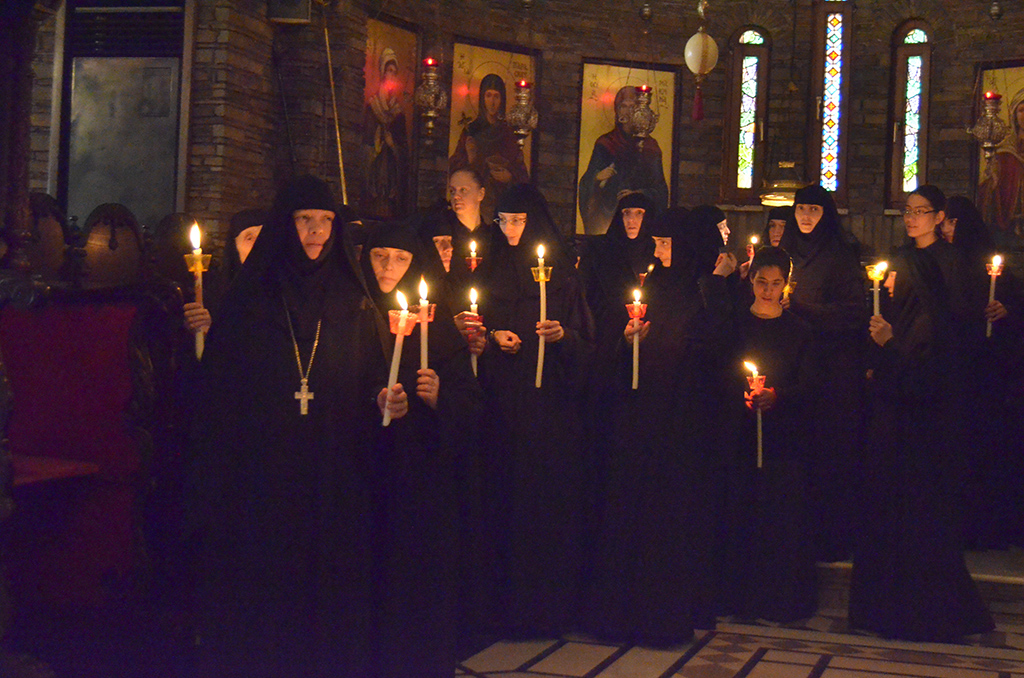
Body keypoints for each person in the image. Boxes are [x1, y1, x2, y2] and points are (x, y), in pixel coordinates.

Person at [186, 175, 408, 677]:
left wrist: (383, 396)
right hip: (265, 471)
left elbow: (374, 372)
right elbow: (220, 388)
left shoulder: (353, 299)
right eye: (305, 219)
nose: (316, 232)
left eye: (326, 221)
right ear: (285, 225)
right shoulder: (248, 300)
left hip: (334, 469)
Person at [850, 185, 994, 642]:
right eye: (907, 211)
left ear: (939, 216)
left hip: (928, 403)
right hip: (894, 392)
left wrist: (893, 345)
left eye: (921, 211)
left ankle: (929, 611)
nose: (911, 218)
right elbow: (888, 313)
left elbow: (943, 335)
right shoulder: (902, 259)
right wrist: (880, 354)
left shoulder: (950, 264)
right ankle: (883, 607)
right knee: (886, 500)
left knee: (922, 506)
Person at [587, 207, 734, 644]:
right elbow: (621, 345)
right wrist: (627, 340)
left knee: (670, 518)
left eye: (666, 243)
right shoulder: (652, 285)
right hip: (639, 416)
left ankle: (664, 614)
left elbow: (718, 352)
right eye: (657, 243)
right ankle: (619, 613)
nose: (658, 251)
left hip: (681, 421)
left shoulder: (703, 290)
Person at [360, 219, 482, 678]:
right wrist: (374, 399)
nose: (388, 267)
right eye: (379, 256)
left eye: (400, 259)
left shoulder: (439, 331)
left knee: (414, 581)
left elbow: (471, 404)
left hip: (419, 480)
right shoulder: (350, 315)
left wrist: (438, 398)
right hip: (362, 475)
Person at [475, 183, 594, 636]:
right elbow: (472, 321)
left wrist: (562, 337)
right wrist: (492, 337)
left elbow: (586, 342)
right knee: (499, 500)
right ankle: (496, 608)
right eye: (503, 221)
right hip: (500, 406)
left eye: (518, 222)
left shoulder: (561, 276)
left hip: (548, 411)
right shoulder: (488, 267)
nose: (510, 230)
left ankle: (544, 608)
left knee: (541, 506)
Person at [720, 246, 818, 623]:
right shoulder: (734, 326)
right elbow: (720, 373)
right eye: (762, 281)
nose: (768, 290)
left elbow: (810, 385)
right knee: (740, 513)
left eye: (776, 283)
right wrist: (742, 396)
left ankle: (777, 599)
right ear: (751, 280)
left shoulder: (800, 331)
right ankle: (737, 598)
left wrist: (777, 397)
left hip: (783, 440)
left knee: (778, 518)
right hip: (739, 435)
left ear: (786, 285)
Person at [778, 184, 867, 562]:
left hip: (833, 369)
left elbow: (853, 313)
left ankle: (831, 538)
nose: (805, 216)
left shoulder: (839, 256)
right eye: (801, 208)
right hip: (793, 364)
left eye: (813, 210)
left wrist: (801, 307)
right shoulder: (786, 252)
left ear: (825, 214)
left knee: (831, 453)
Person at [943, 195, 1024, 548]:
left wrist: (1006, 311)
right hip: (953, 370)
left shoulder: (992, 268)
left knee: (987, 449)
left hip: (987, 375)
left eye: (950, 222)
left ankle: (989, 528)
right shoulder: (941, 262)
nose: (945, 229)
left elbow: (1015, 307)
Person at [578, 85, 669, 235]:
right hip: (607, 216)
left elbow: (660, 190)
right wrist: (597, 177)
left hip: (640, 223)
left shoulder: (650, 148)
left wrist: (638, 194)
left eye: (632, 107)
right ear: (617, 110)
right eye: (623, 106)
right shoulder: (605, 143)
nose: (627, 111)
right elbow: (585, 185)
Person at [449, 74, 529, 223]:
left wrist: (509, 177)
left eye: (496, 97)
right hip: (475, 205)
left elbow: (521, 172)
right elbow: (455, 168)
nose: (492, 102)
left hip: (502, 204)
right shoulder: (471, 132)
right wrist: (471, 158)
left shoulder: (509, 133)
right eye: (488, 96)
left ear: (502, 100)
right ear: (482, 98)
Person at [362, 47, 409, 218]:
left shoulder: (398, 113)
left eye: (395, 72)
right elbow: (365, 146)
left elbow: (404, 150)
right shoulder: (373, 106)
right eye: (389, 71)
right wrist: (375, 147)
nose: (392, 76)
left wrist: (393, 146)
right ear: (382, 73)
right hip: (376, 173)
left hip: (391, 175)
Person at [978, 88, 1024, 241]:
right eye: (1021, 110)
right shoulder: (1004, 152)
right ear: (1014, 115)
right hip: (1010, 225)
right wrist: (992, 183)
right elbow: (988, 191)